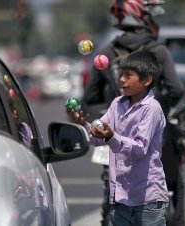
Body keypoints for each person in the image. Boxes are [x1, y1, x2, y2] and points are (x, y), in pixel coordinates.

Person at [81, 0, 185, 225]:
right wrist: (159, 110)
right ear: (141, 15)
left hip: (114, 136)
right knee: (174, 186)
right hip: (154, 142)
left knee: (112, 190)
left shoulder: (105, 53)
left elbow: (89, 99)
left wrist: (113, 113)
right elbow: (176, 89)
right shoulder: (158, 51)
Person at [69, 49, 169, 226]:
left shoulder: (151, 109)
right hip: (120, 199)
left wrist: (111, 136)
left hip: (147, 201)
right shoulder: (117, 104)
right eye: (122, 75)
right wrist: (85, 124)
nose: (122, 80)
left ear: (147, 80)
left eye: (129, 75)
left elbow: (139, 149)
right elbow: (98, 137)